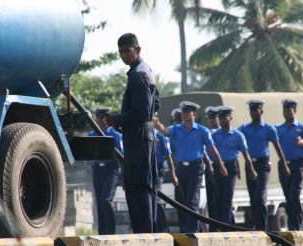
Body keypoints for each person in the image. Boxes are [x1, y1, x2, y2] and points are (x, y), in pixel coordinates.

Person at [106, 33, 159, 233]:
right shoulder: (146, 70)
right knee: (145, 187)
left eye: (127, 51)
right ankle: (148, 233)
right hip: (144, 135)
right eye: (120, 52)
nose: (123, 56)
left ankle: (144, 234)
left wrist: (116, 119)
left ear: (137, 50)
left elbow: (141, 112)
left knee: (138, 188)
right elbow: (156, 104)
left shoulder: (138, 74)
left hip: (139, 138)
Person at [153, 101, 228, 233]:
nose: (185, 115)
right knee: (182, 201)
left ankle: (192, 232)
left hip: (196, 168)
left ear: (194, 114)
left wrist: (221, 165)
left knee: (192, 199)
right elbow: (165, 131)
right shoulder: (177, 129)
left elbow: (212, 149)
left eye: (188, 112)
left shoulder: (202, 131)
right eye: (183, 112)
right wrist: (157, 124)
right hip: (181, 168)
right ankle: (185, 231)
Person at [239, 100, 290, 231]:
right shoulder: (244, 129)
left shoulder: (269, 129)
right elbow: (236, 141)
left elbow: (277, 147)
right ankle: (257, 225)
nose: (254, 113)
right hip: (250, 165)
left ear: (261, 111)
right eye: (252, 111)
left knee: (260, 197)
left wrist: (284, 164)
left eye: (256, 111)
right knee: (253, 198)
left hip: (263, 165)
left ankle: (262, 227)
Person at [212, 106, 258, 230]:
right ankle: (231, 225)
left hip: (231, 168)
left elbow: (245, 154)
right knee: (219, 198)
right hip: (218, 167)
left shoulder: (238, 135)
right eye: (220, 119)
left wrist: (252, 169)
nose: (222, 121)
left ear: (230, 118)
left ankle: (225, 228)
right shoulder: (214, 135)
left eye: (224, 118)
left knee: (227, 197)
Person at [276, 99, 303, 231]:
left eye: (289, 111)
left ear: (295, 111)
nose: (287, 113)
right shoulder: (279, 129)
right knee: (287, 196)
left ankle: (296, 225)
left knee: (294, 194)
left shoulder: (301, 128)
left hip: (298, 165)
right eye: (285, 111)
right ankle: (292, 222)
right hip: (283, 165)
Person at [88, 106, 123, 235]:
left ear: (107, 118)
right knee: (99, 203)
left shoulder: (115, 135)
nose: (100, 119)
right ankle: (102, 233)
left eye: (102, 116)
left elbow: (122, 157)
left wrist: (124, 177)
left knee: (106, 201)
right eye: (98, 116)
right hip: (97, 170)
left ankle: (111, 232)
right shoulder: (91, 135)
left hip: (111, 170)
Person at [203, 106, 220, 231]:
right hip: (210, 167)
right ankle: (213, 228)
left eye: (214, 118)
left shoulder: (223, 132)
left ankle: (225, 226)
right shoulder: (207, 133)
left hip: (222, 166)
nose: (212, 121)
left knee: (223, 199)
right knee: (212, 199)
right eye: (210, 119)